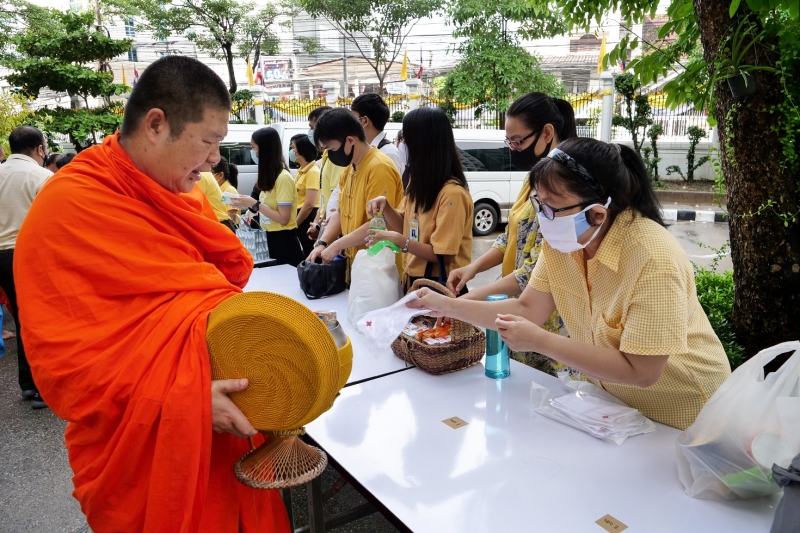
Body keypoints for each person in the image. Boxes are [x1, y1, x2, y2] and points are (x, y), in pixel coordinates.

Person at [13, 56, 289, 532]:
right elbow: (65, 366)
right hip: (143, 443)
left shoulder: (182, 192)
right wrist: (187, 402)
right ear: (156, 124)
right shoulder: (69, 207)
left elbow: (209, 289)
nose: (214, 160)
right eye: (208, 142)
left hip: (226, 429)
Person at [411, 138, 731, 430]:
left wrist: (541, 341)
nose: (542, 217)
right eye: (539, 203)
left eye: (550, 206)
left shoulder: (653, 260)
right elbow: (528, 308)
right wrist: (445, 305)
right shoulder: (564, 244)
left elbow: (643, 371)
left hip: (686, 416)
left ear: (597, 214)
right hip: (619, 409)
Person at [447, 93, 578, 375]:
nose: (513, 149)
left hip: (545, 316)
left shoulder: (564, 193)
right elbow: (511, 237)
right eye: (510, 142)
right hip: (517, 309)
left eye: (518, 141)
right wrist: (473, 267)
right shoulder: (533, 179)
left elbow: (531, 273)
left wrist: (470, 299)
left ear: (546, 133)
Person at [361, 107, 473, 292]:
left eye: (406, 139)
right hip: (415, 281)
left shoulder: (452, 194)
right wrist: (386, 207)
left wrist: (401, 242)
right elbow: (404, 225)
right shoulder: (418, 182)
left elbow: (444, 255)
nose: (402, 145)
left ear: (423, 144)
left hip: (441, 286)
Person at [306, 108, 403, 280]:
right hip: (357, 267)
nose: (329, 154)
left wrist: (337, 245)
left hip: (379, 270)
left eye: (331, 148)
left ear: (350, 140)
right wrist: (323, 243)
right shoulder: (349, 169)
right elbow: (341, 213)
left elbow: (379, 224)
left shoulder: (379, 167)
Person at [0, 125, 52, 410]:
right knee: (40, 320)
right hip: (28, 255)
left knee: (22, 319)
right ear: (39, 148)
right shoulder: (41, 176)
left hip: (1, 257)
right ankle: (42, 387)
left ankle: (28, 383)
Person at [229, 127, 304, 267]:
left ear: (264, 149)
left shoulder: (283, 178)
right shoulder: (269, 178)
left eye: (253, 147)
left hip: (283, 242)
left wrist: (255, 204)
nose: (253, 152)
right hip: (267, 240)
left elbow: (283, 218)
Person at [307, 106, 345, 242]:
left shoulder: (339, 159)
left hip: (335, 229)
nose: (311, 133)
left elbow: (337, 203)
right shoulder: (327, 155)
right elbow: (326, 197)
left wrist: (326, 232)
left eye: (313, 128)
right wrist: (317, 223)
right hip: (327, 225)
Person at [350, 93, 404, 173]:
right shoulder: (361, 151)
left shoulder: (388, 153)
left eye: (353, 119)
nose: (350, 124)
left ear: (364, 121)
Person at [290, 133, 320, 256]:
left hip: (307, 217)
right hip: (299, 214)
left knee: (308, 252)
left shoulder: (313, 172)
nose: (292, 151)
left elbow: (309, 204)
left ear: (302, 149)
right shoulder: (300, 170)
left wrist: (295, 224)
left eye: (293, 147)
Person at [197, 166, 236, 232]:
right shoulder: (218, 188)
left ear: (220, 175)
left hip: (218, 224)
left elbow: (232, 213)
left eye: (213, 173)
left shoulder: (229, 190)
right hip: (219, 224)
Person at [211, 157, 240, 224]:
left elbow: (231, 219)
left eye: (211, 173)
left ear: (220, 175)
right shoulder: (217, 189)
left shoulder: (229, 191)